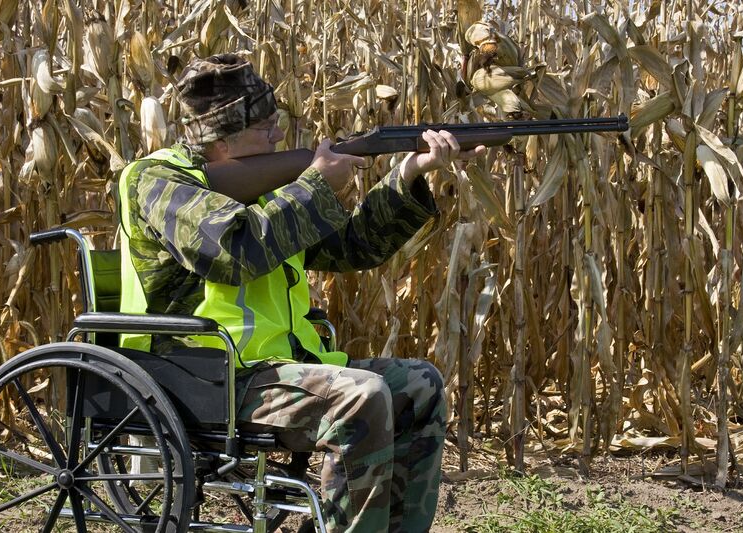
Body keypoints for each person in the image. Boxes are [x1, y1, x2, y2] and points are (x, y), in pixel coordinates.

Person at [116, 54, 484, 533]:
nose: (278, 137)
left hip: (271, 371)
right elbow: (234, 252)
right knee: (362, 396)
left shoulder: (266, 184)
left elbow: (352, 247)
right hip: (201, 375)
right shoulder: (157, 180)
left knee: (419, 384)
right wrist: (313, 186)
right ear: (222, 142)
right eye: (266, 128)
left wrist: (409, 173)